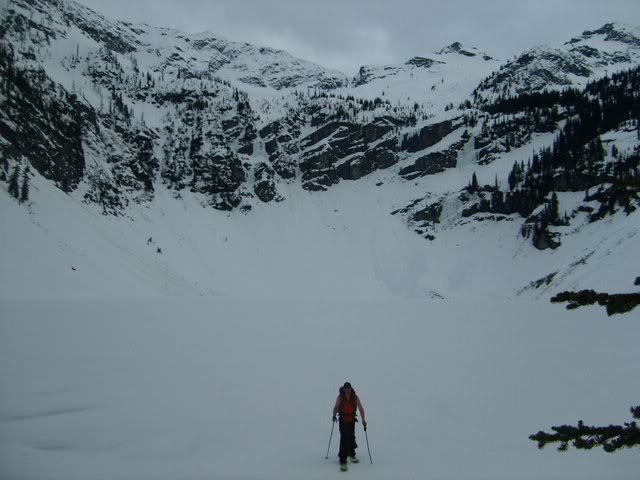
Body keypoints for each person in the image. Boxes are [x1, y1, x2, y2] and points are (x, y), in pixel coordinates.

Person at [332, 382, 366, 469]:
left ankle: (351, 454)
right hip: (343, 419)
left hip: (351, 419)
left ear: (351, 388)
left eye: (348, 388)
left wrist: (363, 420)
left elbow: (360, 408)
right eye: (346, 388)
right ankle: (343, 460)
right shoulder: (340, 397)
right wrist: (334, 415)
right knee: (344, 437)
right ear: (344, 389)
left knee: (351, 436)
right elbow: (336, 407)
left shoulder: (355, 397)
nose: (347, 390)